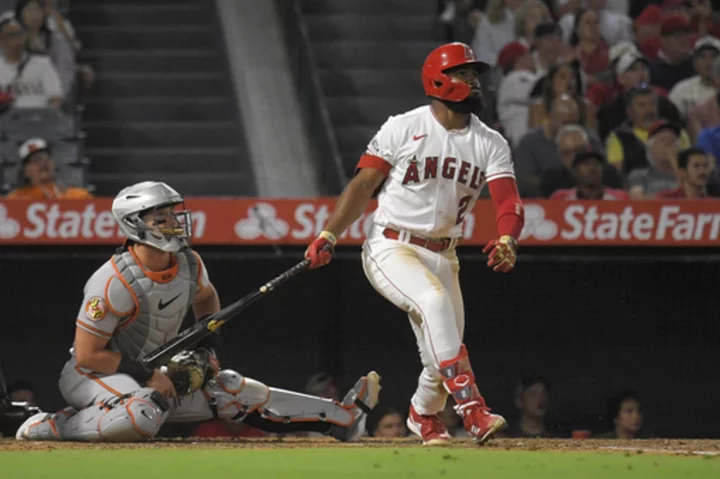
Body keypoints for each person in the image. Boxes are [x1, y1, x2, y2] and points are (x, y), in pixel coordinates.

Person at [16, 181, 380, 442]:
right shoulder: (112, 280)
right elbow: (87, 355)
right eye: (161, 219)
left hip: (156, 371)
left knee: (231, 389)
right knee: (140, 412)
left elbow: (207, 300)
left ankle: (341, 419)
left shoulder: (189, 263)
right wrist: (149, 377)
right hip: (93, 375)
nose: (174, 223)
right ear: (135, 225)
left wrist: (209, 349)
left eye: (173, 215)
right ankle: (50, 426)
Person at [304, 42, 524, 446]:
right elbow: (363, 184)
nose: (474, 82)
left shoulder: (490, 142)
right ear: (439, 80)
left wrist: (508, 235)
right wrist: (329, 232)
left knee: (440, 354)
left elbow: (508, 200)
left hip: (445, 253)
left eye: (475, 75)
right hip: (391, 245)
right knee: (435, 304)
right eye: (464, 74)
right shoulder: (402, 126)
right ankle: (473, 410)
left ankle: (423, 415)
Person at [541, 125, 623, 197]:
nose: (573, 157)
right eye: (567, 153)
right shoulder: (551, 179)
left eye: (578, 150)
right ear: (560, 155)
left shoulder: (608, 173)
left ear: (588, 148)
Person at [0, 14, 63, 109]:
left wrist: (46, 117)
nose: (18, 40)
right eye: (11, 36)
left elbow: (55, 98)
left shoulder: (43, 63)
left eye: (20, 34)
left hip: (39, 118)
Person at [6, 138, 93, 199]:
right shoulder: (16, 200)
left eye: (46, 158)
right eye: (36, 160)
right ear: (26, 171)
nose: (43, 163)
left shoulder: (77, 197)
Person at [669, 35, 720, 117]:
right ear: (695, 63)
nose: (708, 62)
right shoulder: (681, 90)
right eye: (702, 57)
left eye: (713, 56)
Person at [550, 148, 630, 199]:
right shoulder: (561, 198)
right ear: (574, 172)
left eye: (597, 164)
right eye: (586, 164)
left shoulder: (620, 197)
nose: (592, 168)